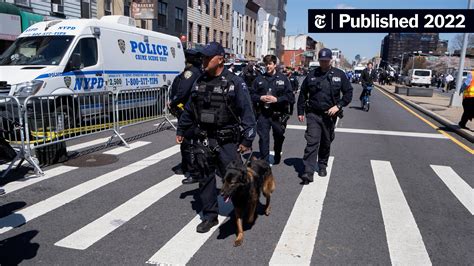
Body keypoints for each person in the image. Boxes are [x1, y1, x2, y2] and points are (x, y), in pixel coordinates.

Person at [176, 42, 256, 233]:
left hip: (227, 142)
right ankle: (210, 216)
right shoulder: (200, 81)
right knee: (205, 179)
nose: (202, 61)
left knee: (234, 181)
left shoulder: (235, 82)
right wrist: (181, 129)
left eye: (206, 57)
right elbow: (189, 108)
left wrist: (247, 140)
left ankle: (241, 213)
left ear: (220, 59)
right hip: (204, 139)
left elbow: (247, 114)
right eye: (202, 57)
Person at [297, 48, 353, 184]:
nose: (323, 63)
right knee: (312, 141)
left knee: (326, 141)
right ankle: (308, 171)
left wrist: (338, 106)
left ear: (330, 60)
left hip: (329, 115)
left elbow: (348, 93)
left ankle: (322, 164)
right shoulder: (312, 75)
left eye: (326, 61)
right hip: (313, 114)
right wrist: (300, 111)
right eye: (321, 61)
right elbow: (303, 93)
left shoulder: (339, 75)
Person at [249, 55, 294, 165]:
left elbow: (290, 97)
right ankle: (264, 161)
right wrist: (260, 97)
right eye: (266, 64)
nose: (267, 66)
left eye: (269, 64)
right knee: (263, 138)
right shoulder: (259, 79)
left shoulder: (283, 79)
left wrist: (277, 99)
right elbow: (250, 95)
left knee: (278, 137)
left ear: (275, 65)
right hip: (263, 115)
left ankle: (277, 153)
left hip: (278, 115)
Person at [169, 49, 202, 184]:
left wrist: (173, 101)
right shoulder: (196, 71)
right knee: (188, 142)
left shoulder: (191, 72)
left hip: (188, 112)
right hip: (189, 111)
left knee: (189, 142)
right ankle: (186, 166)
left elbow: (182, 91)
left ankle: (192, 170)